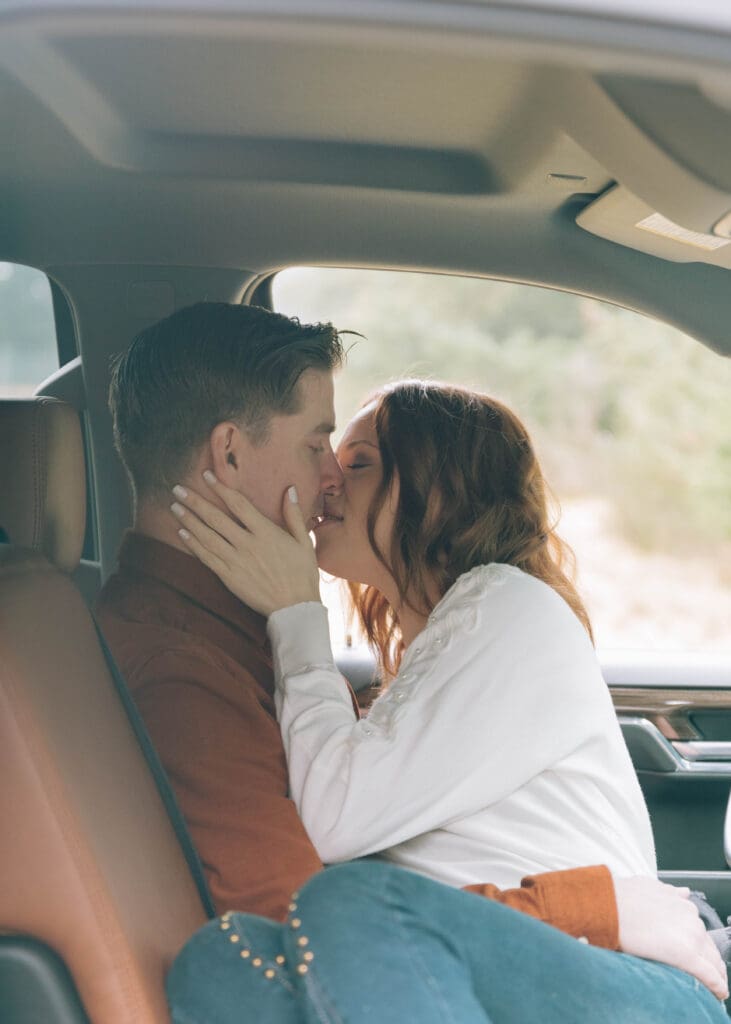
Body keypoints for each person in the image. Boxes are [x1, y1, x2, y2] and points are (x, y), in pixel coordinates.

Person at [96, 303, 727, 1022]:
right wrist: (588, 906)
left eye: (355, 461)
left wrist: (297, 619)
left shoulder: (499, 607)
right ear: (231, 455)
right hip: (531, 964)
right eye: (320, 446)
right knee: (224, 961)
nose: (330, 478)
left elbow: (343, 892)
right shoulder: (186, 659)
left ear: (436, 491)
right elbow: (311, 902)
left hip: (612, 977)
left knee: (344, 908)